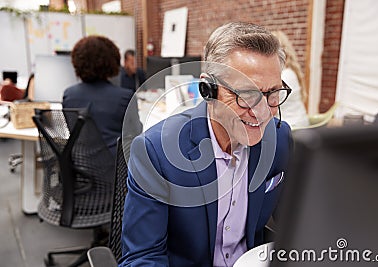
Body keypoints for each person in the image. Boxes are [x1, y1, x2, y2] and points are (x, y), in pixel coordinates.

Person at [119, 22, 292, 266]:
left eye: (272, 94)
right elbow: (141, 258)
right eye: (246, 95)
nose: (262, 112)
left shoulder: (279, 138)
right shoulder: (155, 152)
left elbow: (297, 224)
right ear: (208, 89)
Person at [62, 36, 142, 156]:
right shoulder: (125, 97)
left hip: (79, 168)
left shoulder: (69, 95)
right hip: (114, 171)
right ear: (112, 62)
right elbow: (137, 133)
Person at [272, 30, 309, 128]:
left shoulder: (284, 76)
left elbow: (269, 107)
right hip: (301, 122)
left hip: (292, 127)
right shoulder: (290, 71)